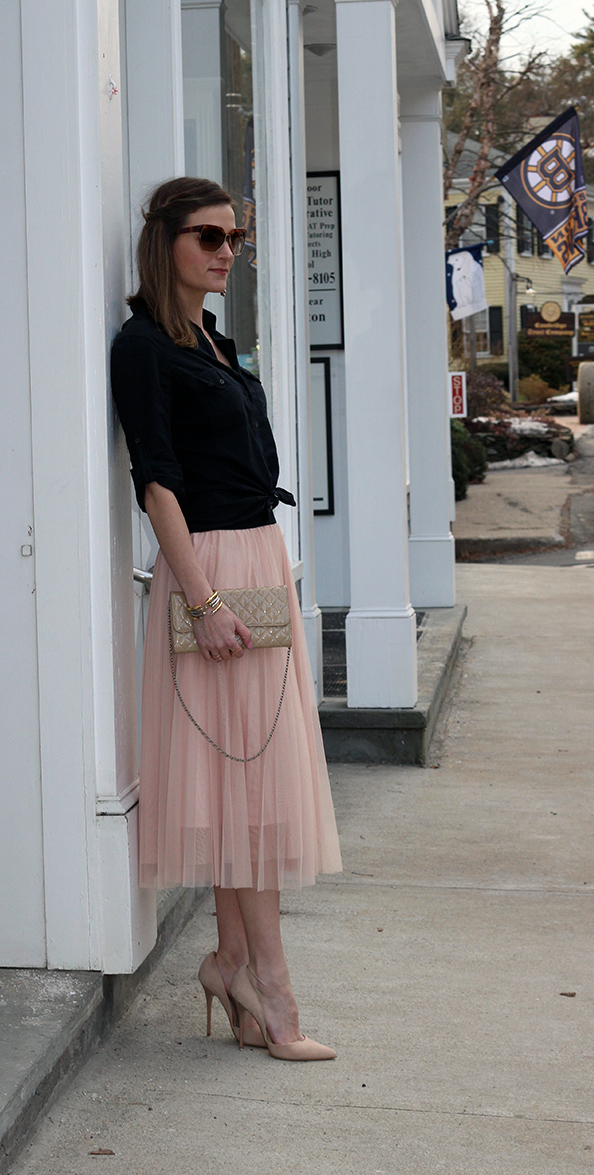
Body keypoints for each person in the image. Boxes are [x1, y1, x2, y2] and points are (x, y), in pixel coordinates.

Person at [111, 177, 342, 1062]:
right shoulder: (143, 346)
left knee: (248, 781)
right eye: (208, 236)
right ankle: (273, 995)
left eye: (235, 238)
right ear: (165, 240)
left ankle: (233, 965)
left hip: (256, 558)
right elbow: (156, 482)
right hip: (209, 571)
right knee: (245, 786)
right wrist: (202, 599)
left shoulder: (212, 338)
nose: (226, 252)